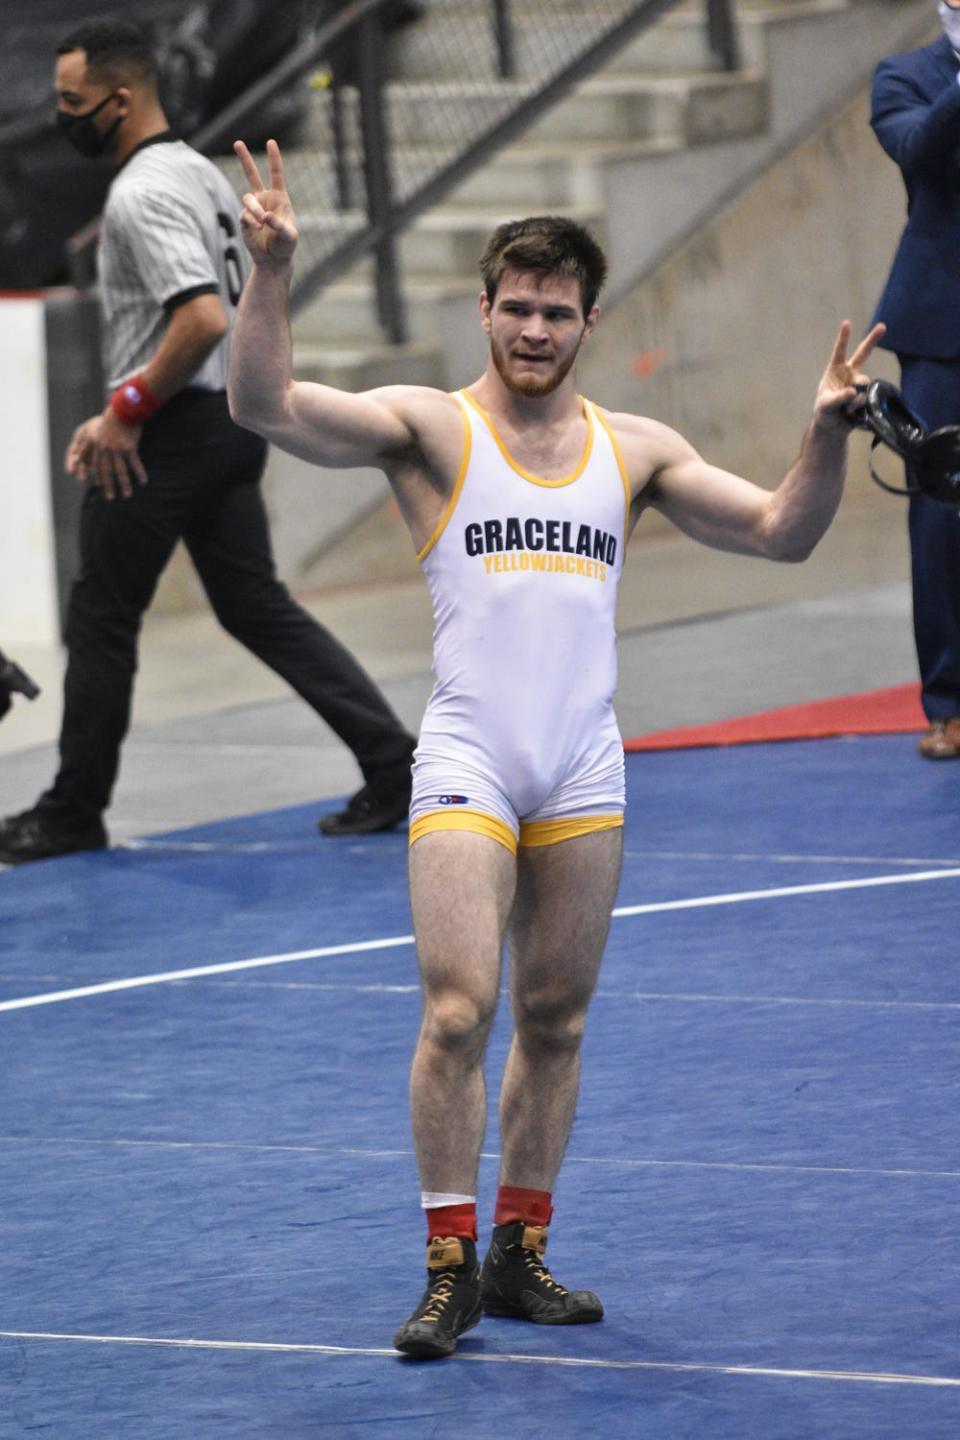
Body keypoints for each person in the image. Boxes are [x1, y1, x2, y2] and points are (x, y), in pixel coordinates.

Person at [228, 137, 883, 1360]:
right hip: (472, 756)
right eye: (516, 308)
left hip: (584, 767)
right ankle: (448, 1266)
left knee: (557, 1018)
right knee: (458, 1008)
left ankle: (523, 1257)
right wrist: (268, 274)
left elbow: (785, 534)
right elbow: (264, 406)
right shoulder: (428, 428)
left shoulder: (632, 448)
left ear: (589, 322)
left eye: (557, 312)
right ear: (483, 309)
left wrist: (826, 428)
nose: (534, 329)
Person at [0, 19, 416, 867]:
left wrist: (123, 408)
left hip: (166, 431)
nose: (61, 116)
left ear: (121, 100)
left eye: (72, 103)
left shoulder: (141, 193)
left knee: (102, 619)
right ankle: (394, 762)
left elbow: (199, 318)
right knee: (254, 605)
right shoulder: (197, 174)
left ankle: (73, 810)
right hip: (228, 421)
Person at [870, 4, 960, 759]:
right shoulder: (904, 76)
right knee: (940, 514)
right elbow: (922, 152)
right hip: (942, 325)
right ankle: (950, 702)